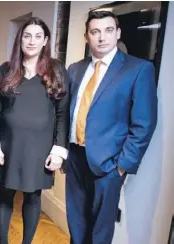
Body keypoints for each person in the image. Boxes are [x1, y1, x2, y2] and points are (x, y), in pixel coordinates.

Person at [66, 11, 157, 244]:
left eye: (108, 30)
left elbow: (144, 124)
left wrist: (122, 166)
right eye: (95, 32)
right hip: (75, 157)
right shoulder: (75, 69)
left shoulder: (138, 69)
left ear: (118, 33)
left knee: (100, 229)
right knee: (76, 221)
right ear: (86, 37)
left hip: (108, 164)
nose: (101, 37)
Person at [0, 17, 69, 244]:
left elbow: (62, 114)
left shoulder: (56, 70)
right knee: (5, 194)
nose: (32, 41)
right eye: (27, 36)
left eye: (37, 36)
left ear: (45, 41)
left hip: (40, 148)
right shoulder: (6, 70)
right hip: (8, 145)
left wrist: (59, 151)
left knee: (33, 196)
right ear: (20, 39)